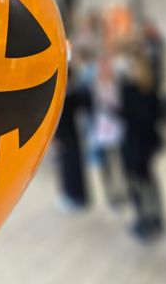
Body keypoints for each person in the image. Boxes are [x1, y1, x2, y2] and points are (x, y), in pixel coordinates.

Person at [119, 46, 164, 241]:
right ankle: (156, 218)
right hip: (147, 143)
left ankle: (144, 220)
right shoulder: (152, 88)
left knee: (137, 182)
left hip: (134, 144)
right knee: (148, 180)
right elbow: (158, 115)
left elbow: (127, 115)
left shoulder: (129, 89)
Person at [54, 64, 92, 211]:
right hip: (68, 137)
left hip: (69, 137)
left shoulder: (69, 95)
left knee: (72, 169)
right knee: (68, 168)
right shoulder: (68, 94)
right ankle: (73, 196)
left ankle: (76, 197)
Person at [90, 55, 126, 208]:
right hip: (102, 129)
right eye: (101, 66)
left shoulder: (118, 82)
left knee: (119, 161)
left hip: (117, 127)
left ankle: (122, 191)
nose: (104, 69)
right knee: (106, 164)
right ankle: (111, 193)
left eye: (107, 65)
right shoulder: (94, 84)